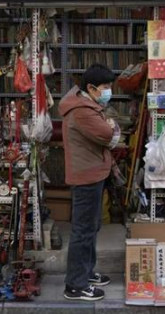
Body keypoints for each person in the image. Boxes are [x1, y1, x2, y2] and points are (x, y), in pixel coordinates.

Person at [58, 63, 120, 301]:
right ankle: (75, 285)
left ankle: (86, 273)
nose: (108, 91)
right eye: (105, 87)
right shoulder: (82, 111)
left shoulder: (88, 105)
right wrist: (112, 128)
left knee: (91, 228)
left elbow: (108, 134)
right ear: (91, 88)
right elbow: (108, 135)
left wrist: (111, 128)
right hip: (86, 176)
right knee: (83, 231)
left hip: (93, 173)